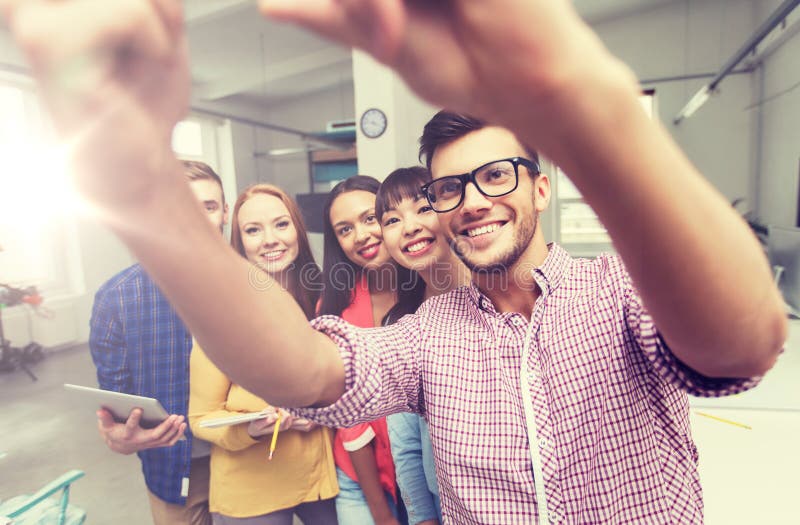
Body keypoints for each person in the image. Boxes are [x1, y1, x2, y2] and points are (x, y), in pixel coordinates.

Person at [4, 1, 787, 524]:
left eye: (496, 175)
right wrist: (142, 182)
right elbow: (307, 371)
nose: (470, 200)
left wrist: (583, 100)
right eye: (451, 187)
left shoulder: (617, 290)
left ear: (542, 188)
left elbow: (739, 344)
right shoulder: (430, 332)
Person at [188, 183, 338, 525]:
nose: (270, 239)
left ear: (298, 231)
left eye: (281, 224)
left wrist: (324, 413)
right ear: (240, 244)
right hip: (251, 491)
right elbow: (201, 418)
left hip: (323, 482)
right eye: (253, 230)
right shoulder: (221, 315)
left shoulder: (325, 298)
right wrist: (250, 430)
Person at [89, 160, 228, 525]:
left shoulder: (255, 285)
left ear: (225, 213)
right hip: (177, 471)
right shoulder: (116, 299)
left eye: (209, 207)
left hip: (253, 460)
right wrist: (121, 435)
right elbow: (120, 410)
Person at [376, 166, 470, 525]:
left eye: (423, 208)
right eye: (392, 219)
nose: (409, 226)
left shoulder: (500, 296)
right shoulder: (401, 326)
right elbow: (407, 448)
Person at [318, 176, 408, 525]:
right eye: (344, 229)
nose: (360, 236)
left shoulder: (432, 288)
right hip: (362, 479)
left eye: (369, 218)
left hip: (429, 475)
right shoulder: (334, 308)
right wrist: (381, 512)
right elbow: (350, 424)